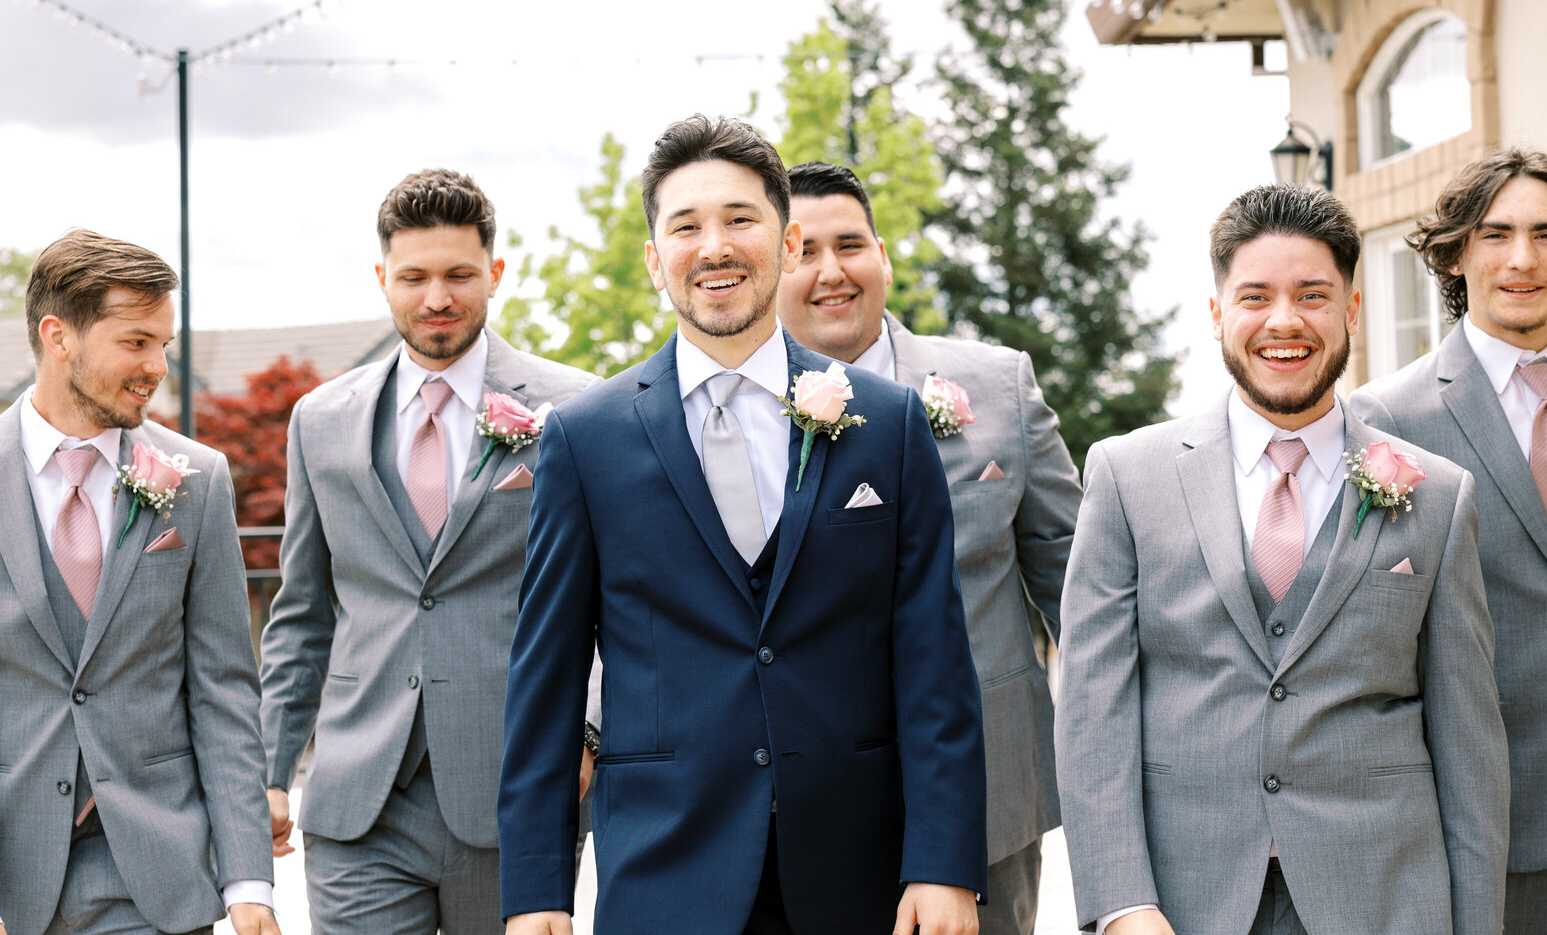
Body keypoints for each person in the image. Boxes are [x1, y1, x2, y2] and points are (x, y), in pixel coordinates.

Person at [498, 114, 987, 935]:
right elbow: (545, 680)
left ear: (788, 242)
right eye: (685, 227)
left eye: (739, 219)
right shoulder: (585, 440)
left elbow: (934, 659)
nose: (714, 246)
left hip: (857, 873)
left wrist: (943, 863)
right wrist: (536, 890)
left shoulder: (890, 424)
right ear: (655, 259)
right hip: (665, 872)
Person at [1057, 184, 1508, 934]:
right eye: (1256, 296)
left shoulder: (1439, 495)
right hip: (1184, 899)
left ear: (1352, 310)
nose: (1285, 322)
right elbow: (1091, 713)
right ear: (1217, 316)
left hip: (1387, 897)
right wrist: (1121, 904)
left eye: (1312, 295)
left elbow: (1470, 744)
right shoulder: (1125, 476)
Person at [257, 169, 596, 934]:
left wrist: (590, 730)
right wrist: (271, 770)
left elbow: (616, 597)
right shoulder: (321, 420)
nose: (436, 297)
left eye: (457, 275)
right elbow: (303, 613)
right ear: (383, 278)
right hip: (357, 800)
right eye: (413, 277)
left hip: (517, 788)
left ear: (496, 274)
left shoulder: (576, 409)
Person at [773, 160, 1080, 934]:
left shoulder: (999, 386)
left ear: (883, 253)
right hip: (797, 804)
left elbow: (1081, 592)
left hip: (989, 801)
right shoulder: (728, 408)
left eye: (850, 244)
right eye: (804, 250)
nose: (831, 271)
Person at [1350, 148, 1547, 934]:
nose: (1522, 259)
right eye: (1495, 235)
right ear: (1458, 253)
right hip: (1490, 821)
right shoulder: (1383, 424)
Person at [0, 231, 278, 935]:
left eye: (164, 343)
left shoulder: (198, 479)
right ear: (58, 336)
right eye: (136, 341)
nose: (157, 365)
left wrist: (249, 879)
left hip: (156, 870)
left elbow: (222, 685)